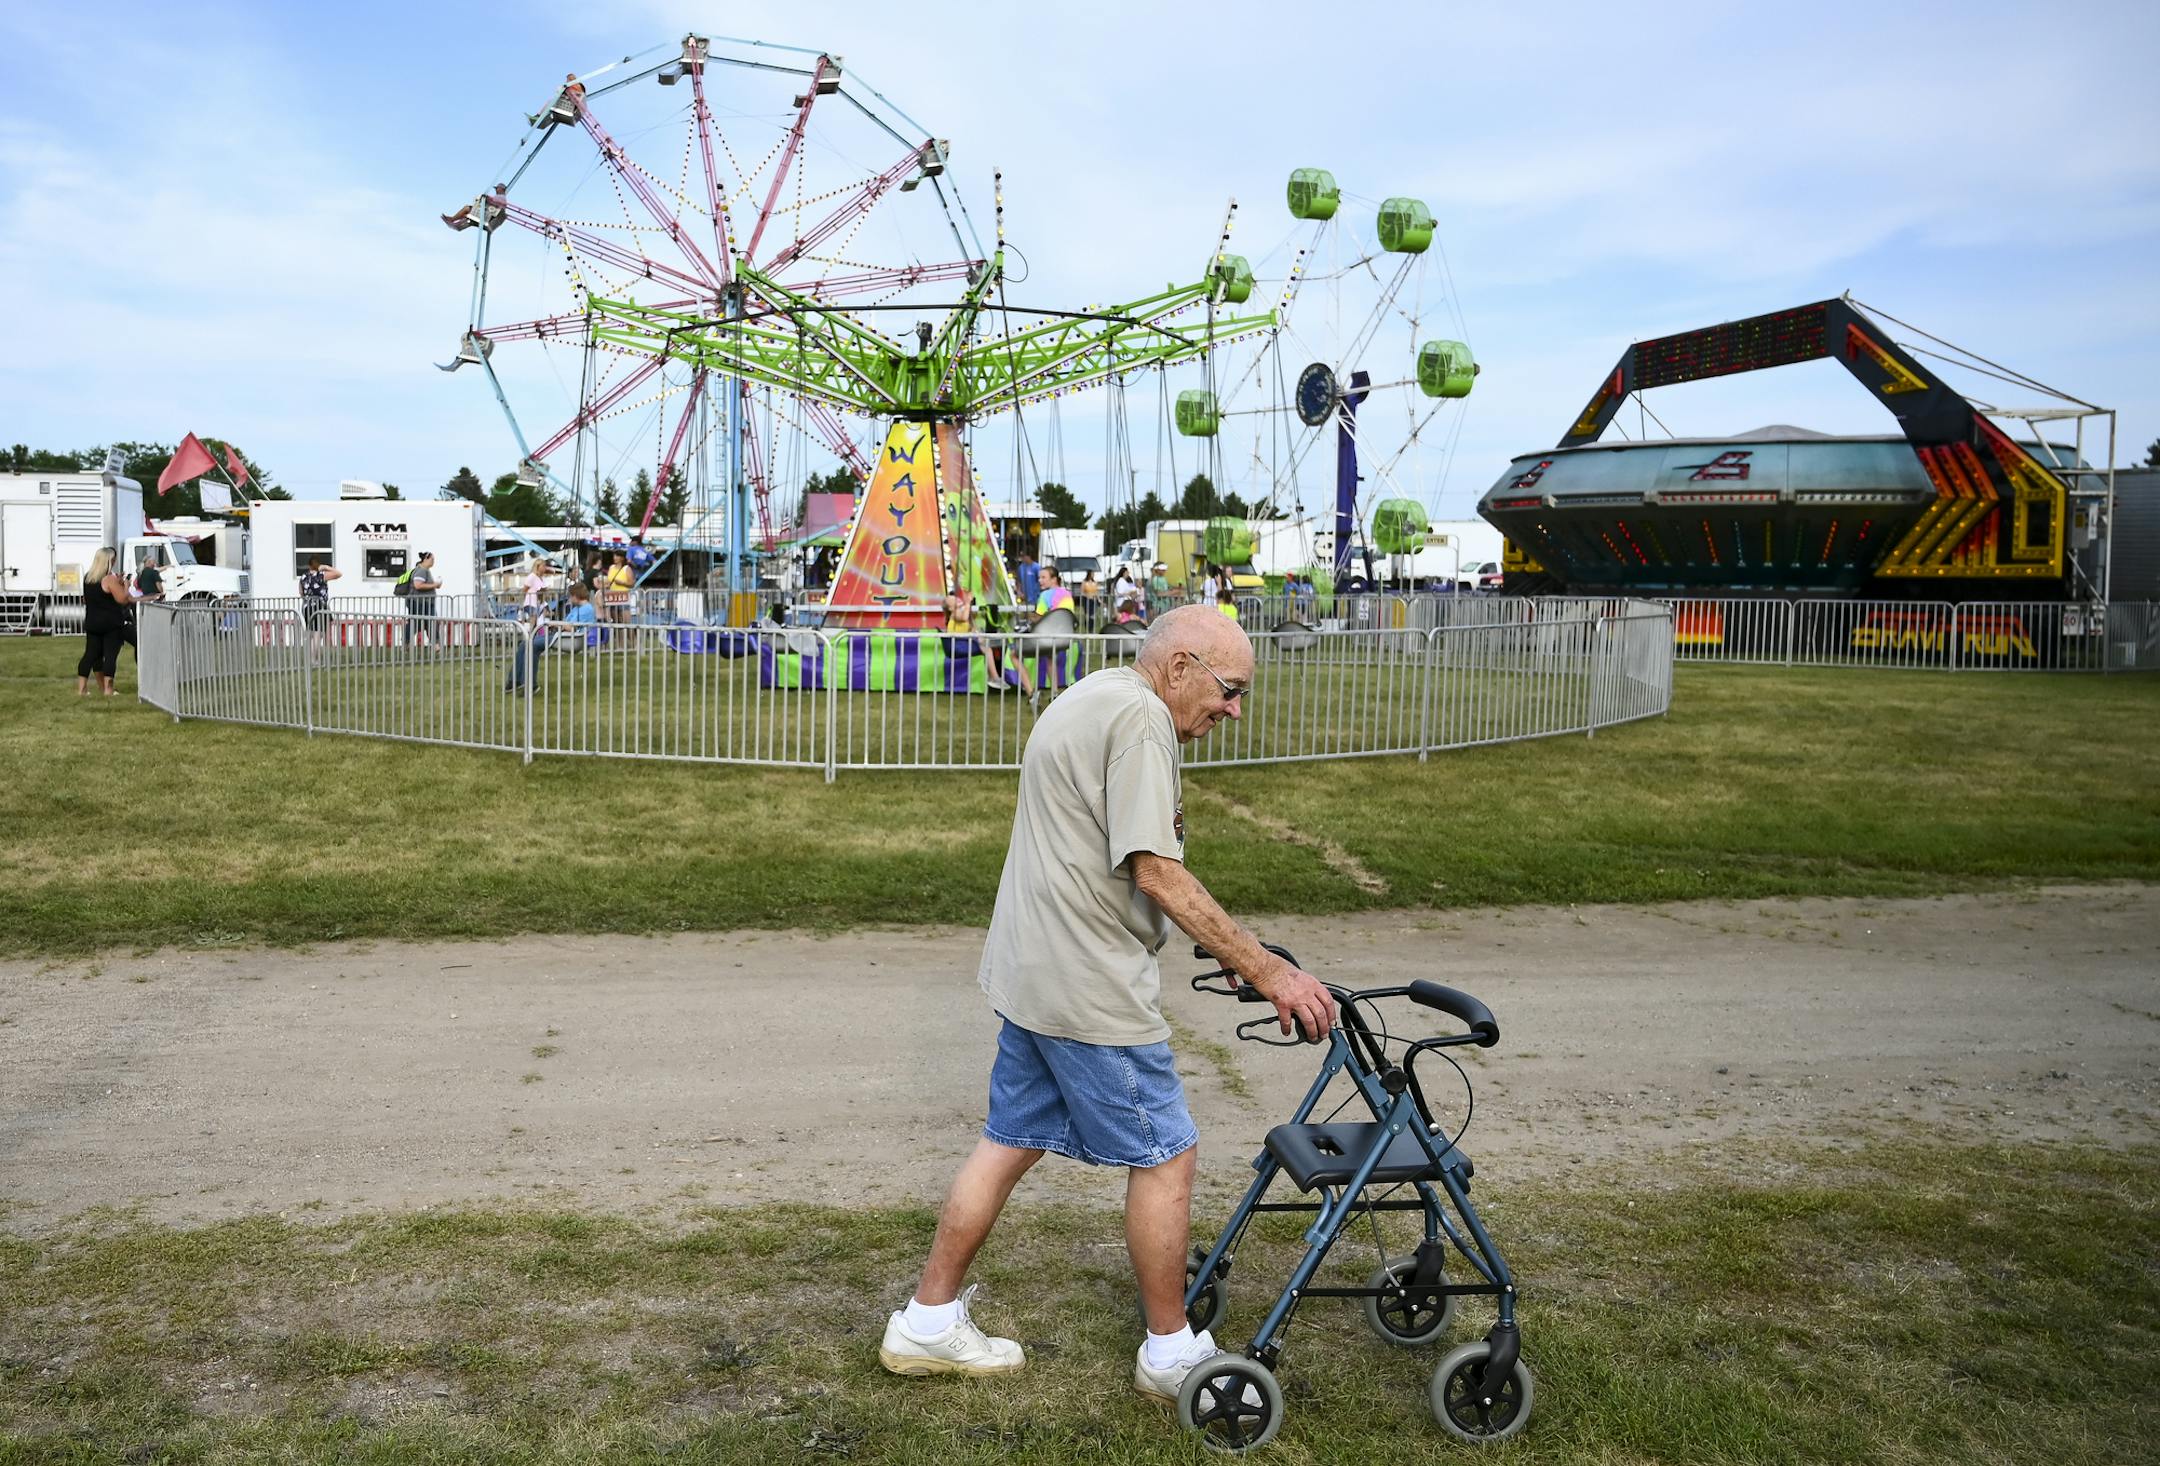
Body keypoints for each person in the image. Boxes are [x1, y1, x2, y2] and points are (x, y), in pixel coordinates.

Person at [880, 605, 1335, 1404]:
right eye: (1229, 690)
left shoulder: (1095, 693)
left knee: (1009, 1139)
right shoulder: (1142, 720)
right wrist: (1268, 971)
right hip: (1088, 985)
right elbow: (1153, 869)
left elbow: (1104, 854)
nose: (1233, 710)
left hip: (1032, 969)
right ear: (1182, 665)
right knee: (1166, 1154)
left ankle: (927, 1320)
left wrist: (1222, 948)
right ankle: (1169, 1352)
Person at [75, 548, 132, 697]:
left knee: (90, 655)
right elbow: (122, 599)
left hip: (92, 622)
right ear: (108, 561)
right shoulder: (109, 579)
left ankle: (81, 689)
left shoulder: (88, 578)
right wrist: (125, 585)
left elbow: (87, 599)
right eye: (113, 560)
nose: (114, 563)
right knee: (110, 655)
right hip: (111, 623)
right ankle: (108, 689)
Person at [299, 556, 343, 655]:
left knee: (310, 633)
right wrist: (327, 567)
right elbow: (339, 574)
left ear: (309, 565)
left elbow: (301, 592)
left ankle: (309, 657)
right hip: (319, 606)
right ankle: (313, 659)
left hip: (306, 607)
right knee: (318, 634)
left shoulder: (303, 577)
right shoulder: (321, 575)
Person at [406, 551, 441, 645]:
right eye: (432, 559)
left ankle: (436, 645)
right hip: (420, 602)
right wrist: (435, 585)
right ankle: (406, 643)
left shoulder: (424, 570)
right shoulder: (421, 571)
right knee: (417, 624)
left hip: (425, 602)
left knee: (429, 623)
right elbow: (418, 585)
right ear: (425, 559)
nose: (433, 561)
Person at [604, 551, 635, 625]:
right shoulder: (611, 567)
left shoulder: (626, 568)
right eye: (614, 556)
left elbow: (632, 584)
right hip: (612, 597)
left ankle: (632, 636)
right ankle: (619, 636)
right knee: (616, 622)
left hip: (623, 597)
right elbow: (609, 581)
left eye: (617, 556)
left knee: (627, 622)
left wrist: (622, 583)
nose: (615, 558)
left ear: (622, 558)